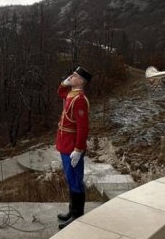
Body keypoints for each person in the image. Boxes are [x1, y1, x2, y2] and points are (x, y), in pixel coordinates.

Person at [55, 66, 92, 229]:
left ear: (81, 81)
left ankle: (77, 216)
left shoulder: (80, 100)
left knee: (75, 180)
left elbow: (83, 128)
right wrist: (64, 83)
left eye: (75, 76)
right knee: (70, 179)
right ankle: (72, 210)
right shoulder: (71, 94)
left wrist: (78, 149)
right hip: (65, 142)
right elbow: (60, 93)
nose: (72, 76)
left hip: (72, 146)